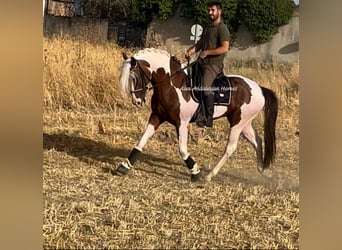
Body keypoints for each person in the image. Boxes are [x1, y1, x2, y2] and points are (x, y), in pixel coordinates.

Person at [185, 1, 230, 128]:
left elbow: (225, 48)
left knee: (205, 88)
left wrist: (207, 52)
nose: (210, 12)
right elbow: (200, 44)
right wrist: (191, 50)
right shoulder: (208, 28)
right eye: (209, 10)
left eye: (212, 10)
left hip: (213, 65)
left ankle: (208, 119)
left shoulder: (222, 29)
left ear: (219, 12)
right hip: (202, 62)